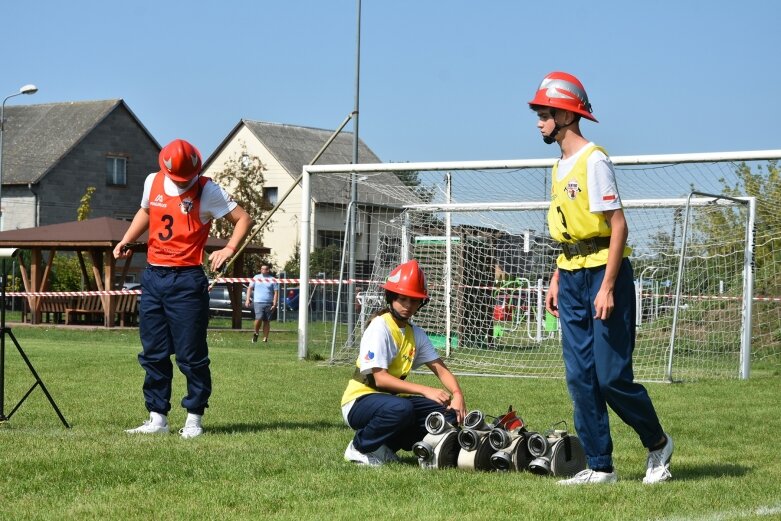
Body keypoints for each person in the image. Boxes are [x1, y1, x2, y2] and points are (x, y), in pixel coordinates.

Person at [529, 72, 673, 484]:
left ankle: (658, 444)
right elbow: (567, 230)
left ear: (565, 114)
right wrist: (557, 276)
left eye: (543, 113)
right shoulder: (558, 166)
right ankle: (599, 465)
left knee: (610, 376)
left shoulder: (595, 160)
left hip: (604, 275)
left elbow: (619, 225)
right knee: (580, 376)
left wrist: (608, 285)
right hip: (571, 275)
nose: (538, 120)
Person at [114, 138, 252, 439]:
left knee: (191, 354)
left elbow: (243, 218)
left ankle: (193, 418)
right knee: (153, 351)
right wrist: (127, 239)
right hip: (153, 277)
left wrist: (228, 248)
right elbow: (147, 213)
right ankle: (157, 417)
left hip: (187, 280)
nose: (182, 181)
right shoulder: (153, 180)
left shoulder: (208, 190)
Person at [340, 259, 467, 466]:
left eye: (414, 301)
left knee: (446, 414)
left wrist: (458, 395)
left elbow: (440, 369)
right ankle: (359, 448)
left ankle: (385, 448)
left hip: (390, 403)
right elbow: (380, 380)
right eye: (402, 299)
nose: (408, 306)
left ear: (421, 303)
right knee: (401, 409)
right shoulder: (379, 327)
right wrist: (426, 390)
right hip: (358, 402)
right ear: (390, 297)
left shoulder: (415, 333)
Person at [244, 262, 279, 343]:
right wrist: (247, 299)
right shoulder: (256, 277)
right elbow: (249, 288)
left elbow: (276, 292)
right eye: (262, 269)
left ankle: (265, 338)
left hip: (269, 302)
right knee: (258, 318)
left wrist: (274, 303)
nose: (263, 270)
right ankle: (256, 333)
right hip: (258, 302)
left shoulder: (272, 279)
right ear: (260, 270)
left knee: (267, 321)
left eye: (265, 269)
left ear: (268, 270)